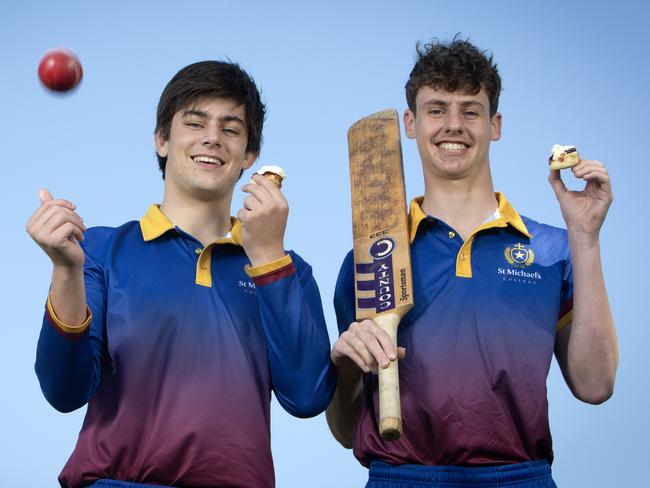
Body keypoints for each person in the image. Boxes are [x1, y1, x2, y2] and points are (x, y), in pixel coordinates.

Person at [27, 60, 335, 488]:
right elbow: (64, 391)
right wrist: (65, 269)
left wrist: (267, 256)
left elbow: (306, 397)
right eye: (194, 122)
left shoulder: (289, 270)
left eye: (231, 128)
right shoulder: (99, 250)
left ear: (250, 155)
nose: (212, 137)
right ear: (162, 140)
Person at [326, 37, 618, 487]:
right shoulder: (371, 256)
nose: (453, 125)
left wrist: (586, 239)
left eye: (470, 110)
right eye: (437, 109)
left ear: (494, 124)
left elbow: (595, 385)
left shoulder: (552, 249)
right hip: (401, 478)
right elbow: (346, 432)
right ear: (411, 122)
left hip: (520, 476)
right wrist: (344, 368)